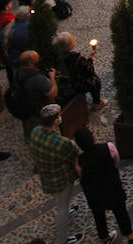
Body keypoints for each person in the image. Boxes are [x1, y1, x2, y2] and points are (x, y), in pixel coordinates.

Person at [74, 126, 133, 243]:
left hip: (94, 193)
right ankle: (131, 238)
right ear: (92, 137)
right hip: (112, 187)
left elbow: (81, 175)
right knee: (121, 213)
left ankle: (104, 237)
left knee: (98, 216)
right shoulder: (108, 148)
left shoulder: (80, 160)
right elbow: (116, 160)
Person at [27, 103, 82, 244]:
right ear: (56, 121)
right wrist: (72, 144)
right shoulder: (62, 143)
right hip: (62, 178)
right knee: (62, 207)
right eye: (58, 116)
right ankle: (62, 240)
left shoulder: (36, 131)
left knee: (60, 203)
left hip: (47, 176)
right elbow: (75, 156)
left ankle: (66, 215)